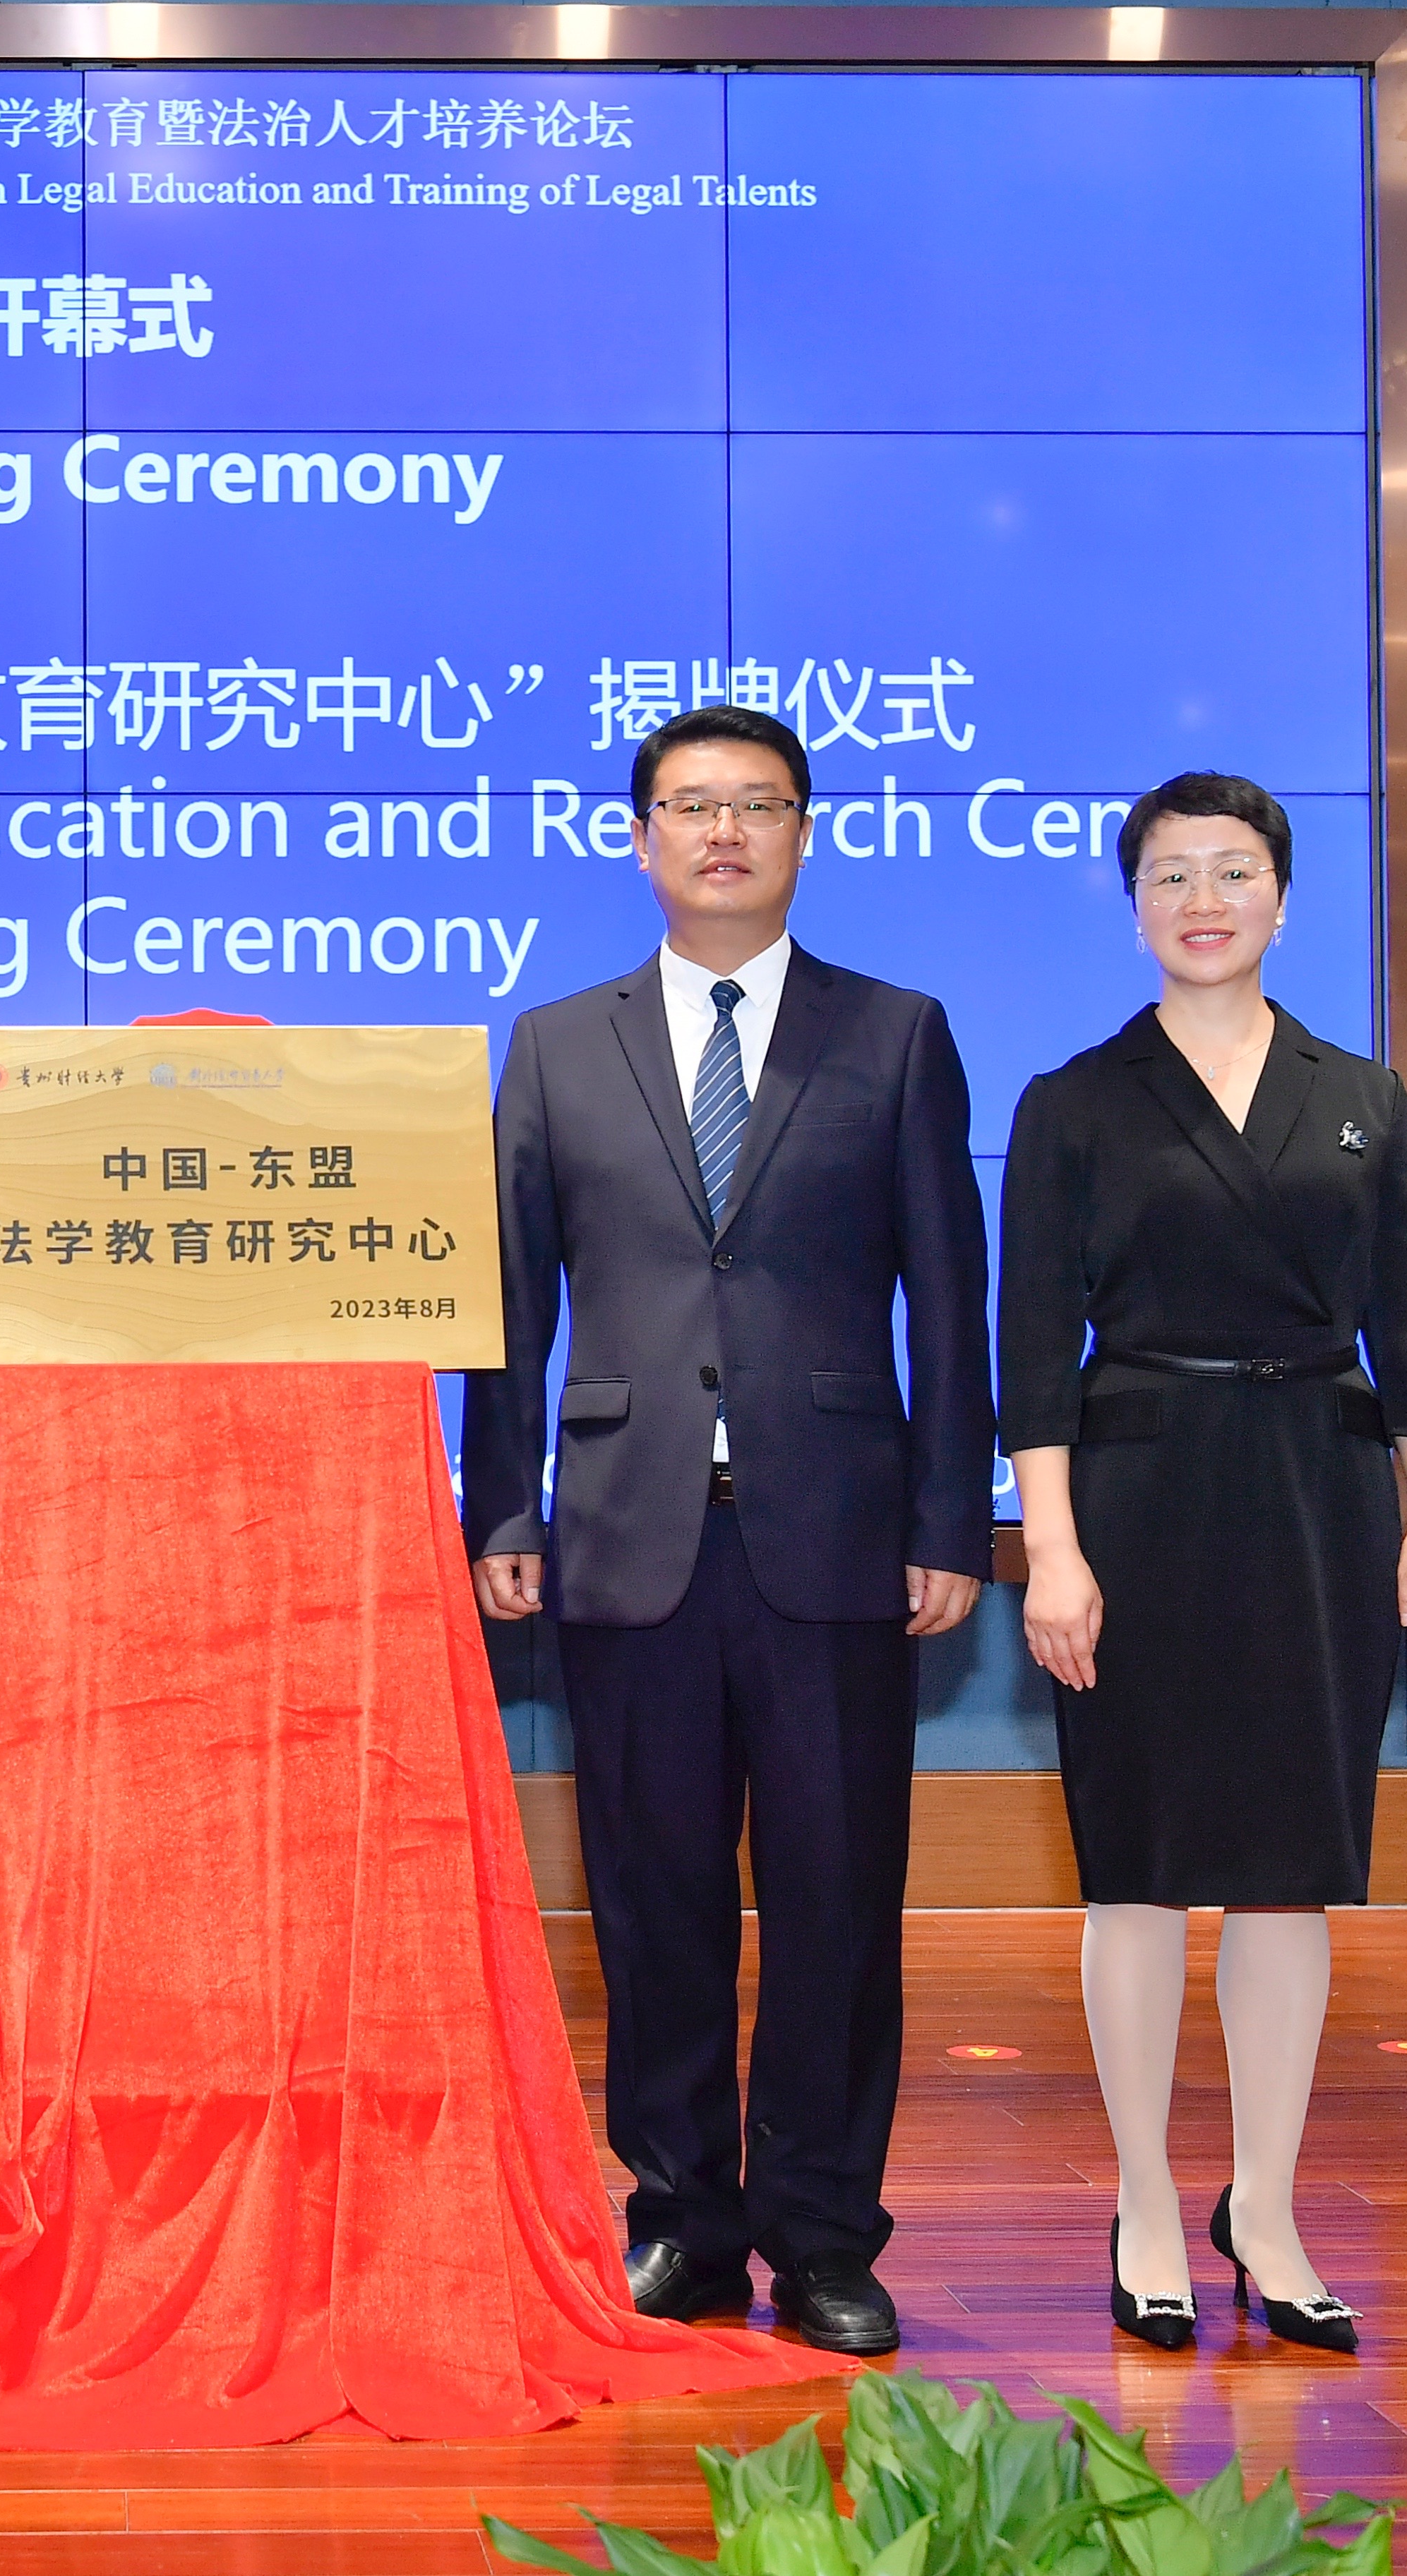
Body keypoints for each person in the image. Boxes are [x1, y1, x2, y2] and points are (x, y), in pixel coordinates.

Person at [466, 704, 995, 2355]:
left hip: (835, 1537)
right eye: (691, 806)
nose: (723, 832)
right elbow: (509, 1302)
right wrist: (505, 1502)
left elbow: (950, 1301)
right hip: (628, 1539)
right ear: (641, 839)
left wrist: (952, 1518)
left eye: (757, 805)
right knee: (655, 1902)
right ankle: (684, 2220)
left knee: (838, 1899)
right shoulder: (558, 1042)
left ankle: (824, 2232)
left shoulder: (895, 1033)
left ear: (803, 834)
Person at [999, 772, 1407, 2358]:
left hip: (1319, 1495)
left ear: (1282, 894)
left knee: (1287, 1864)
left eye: (1236, 871)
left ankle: (1264, 2207)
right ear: (1133, 903)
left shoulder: (1361, 1096)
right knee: (1134, 1864)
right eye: (1173, 874)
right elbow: (1030, 1351)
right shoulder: (1073, 1099)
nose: (1205, 900)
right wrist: (1049, 1548)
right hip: (1134, 1493)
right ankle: (1144, 2200)